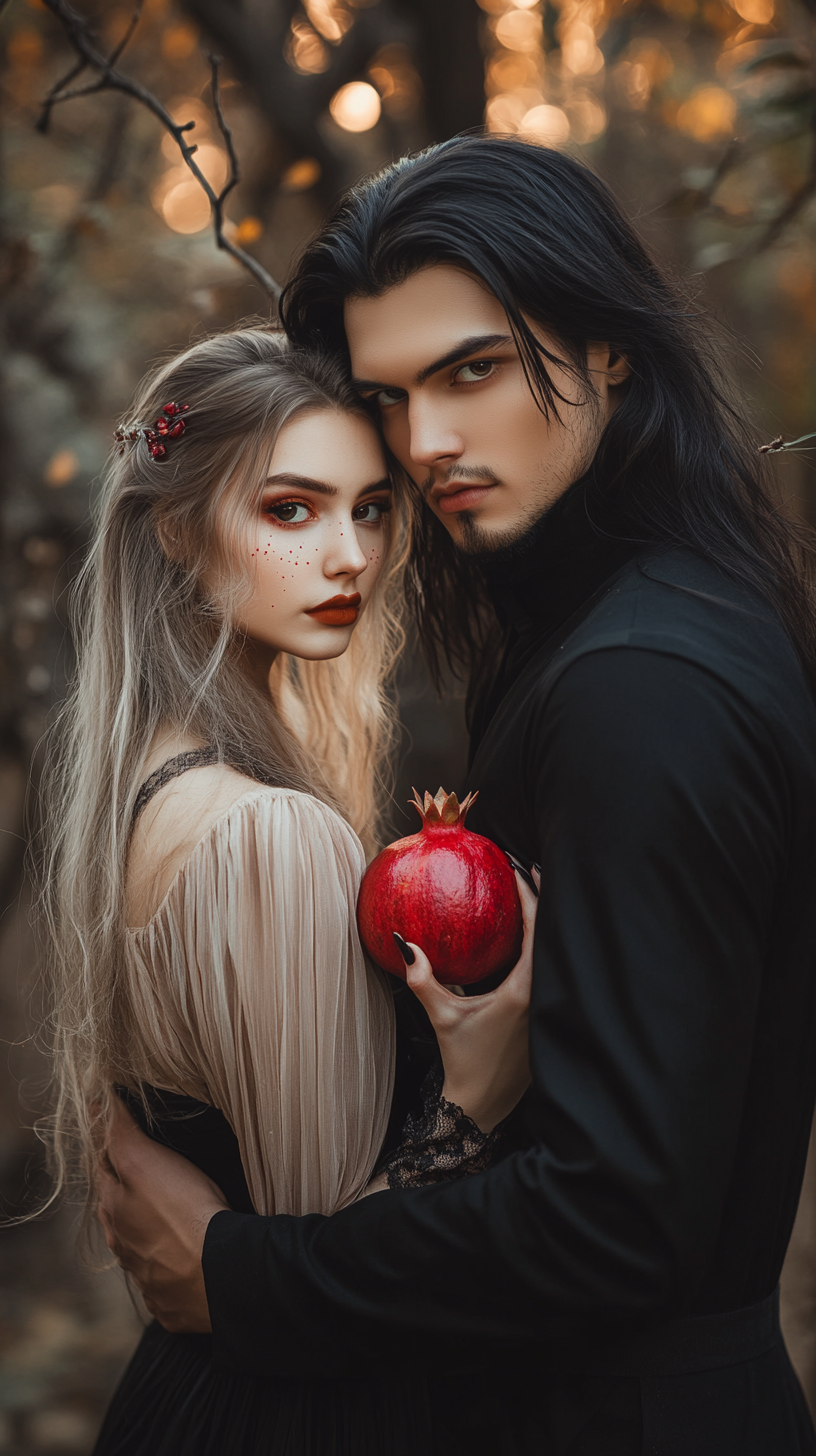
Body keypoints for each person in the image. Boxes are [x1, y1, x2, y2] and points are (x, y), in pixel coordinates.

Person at [97, 138, 816, 1455]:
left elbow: (619, 1221)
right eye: (388, 397)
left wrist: (243, 1277)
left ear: (607, 347)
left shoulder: (640, 683)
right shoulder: (620, 630)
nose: (427, 443)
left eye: (472, 371)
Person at [40, 324, 536, 1455]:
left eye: (370, 507)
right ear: (175, 529)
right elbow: (331, 1281)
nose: (353, 554)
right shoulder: (270, 835)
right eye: (291, 509)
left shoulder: (152, 790)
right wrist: (475, 1102)